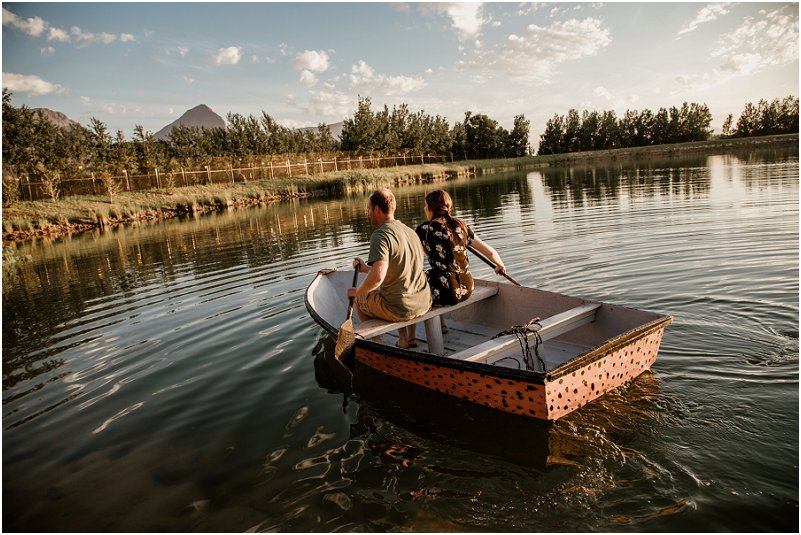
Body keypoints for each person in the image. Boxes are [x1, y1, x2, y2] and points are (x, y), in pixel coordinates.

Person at [404, 190, 507, 341]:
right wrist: (500, 265)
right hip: (467, 288)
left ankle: (409, 338)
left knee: (414, 284)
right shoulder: (461, 226)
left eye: (426, 205)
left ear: (432, 208)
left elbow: (410, 261)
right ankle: (442, 325)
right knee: (437, 275)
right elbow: (490, 251)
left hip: (445, 292)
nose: (424, 208)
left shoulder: (424, 230)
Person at [347, 188, 432, 348]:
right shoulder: (410, 231)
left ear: (377, 209)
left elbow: (378, 277)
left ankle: (377, 344)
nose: (369, 213)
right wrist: (366, 268)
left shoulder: (380, 235)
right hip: (424, 302)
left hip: (401, 309)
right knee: (392, 291)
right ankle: (404, 340)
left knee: (360, 299)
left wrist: (356, 292)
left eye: (369, 209)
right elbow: (400, 267)